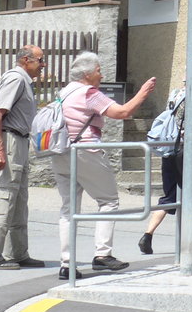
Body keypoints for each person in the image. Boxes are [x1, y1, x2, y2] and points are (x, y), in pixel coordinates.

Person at [52, 52, 156, 279]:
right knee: (108, 201)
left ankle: (66, 264)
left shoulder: (65, 91)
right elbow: (123, 112)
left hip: (60, 152)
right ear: (88, 74)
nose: (102, 74)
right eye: (99, 70)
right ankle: (102, 255)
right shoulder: (89, 92)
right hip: (85, 151)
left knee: (69, 210)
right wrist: (143, 93)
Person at [0, 45, 47, 270]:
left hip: (19, 141)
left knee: (19, 201)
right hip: (10, 142)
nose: (43, 65)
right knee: (5, 197)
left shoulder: (23, 81)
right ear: (26, 60)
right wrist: (0, 150)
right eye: (40, 60)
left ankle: (17, 253)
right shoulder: (16, 79)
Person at [138, 85, 185, 255]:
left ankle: (147, 234)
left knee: (169, 197)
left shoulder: (175, 93)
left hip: (168, 148)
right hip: (184, 150)